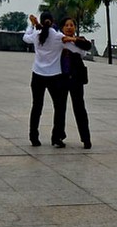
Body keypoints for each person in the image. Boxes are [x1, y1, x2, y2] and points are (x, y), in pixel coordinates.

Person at [23, 11, 67, 146]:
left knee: (37, 106)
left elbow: (25, 37)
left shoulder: (36, 35)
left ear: (41, 22)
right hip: (55, 75)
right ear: (52, 22)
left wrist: (31, 25)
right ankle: (56, 137)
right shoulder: (59, 37)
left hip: (37, 74)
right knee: (59, 107)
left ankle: (33, 136)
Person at [59, 17, 92, 149]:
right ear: (62, 28)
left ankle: (86, 138)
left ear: (75, 28)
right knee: (60, 108)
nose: (69, 27)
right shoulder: (58, 40)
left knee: (79, 108)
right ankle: (59, 136)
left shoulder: (80, 40)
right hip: (61, 77)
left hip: (76, 79)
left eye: (71, 25)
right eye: (66, 25)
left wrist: (72, 39)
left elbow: (88, 46)